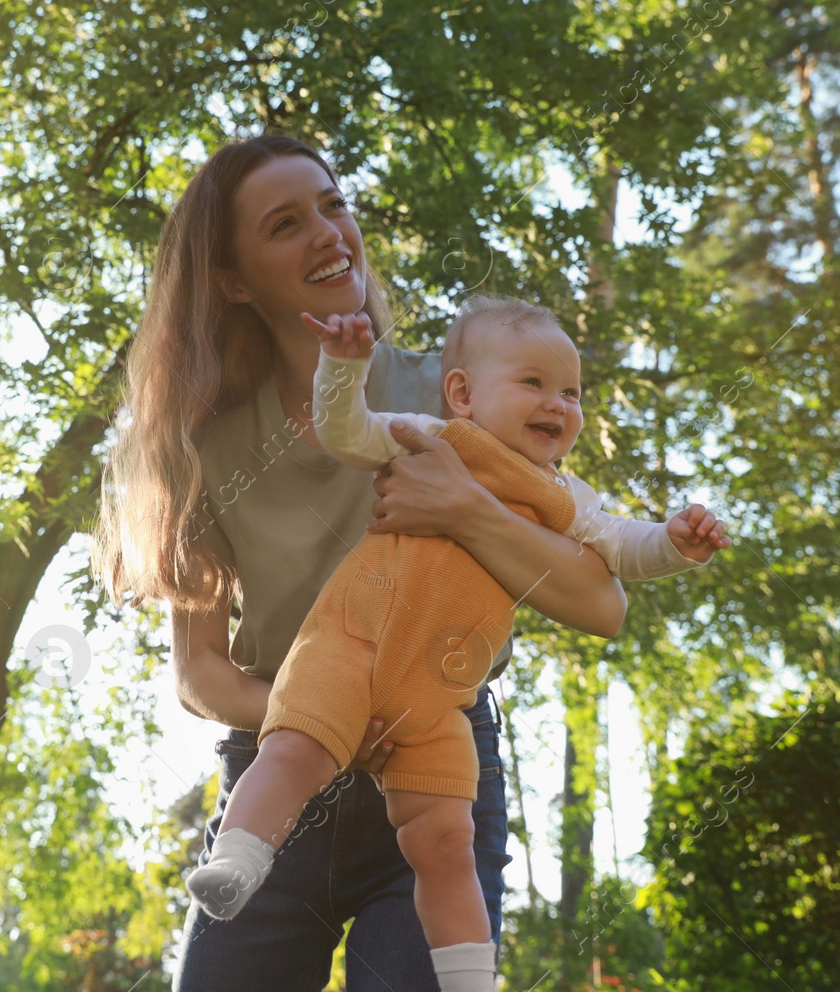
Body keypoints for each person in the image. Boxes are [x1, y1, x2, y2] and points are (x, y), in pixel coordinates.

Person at [91, 133, 631, 991]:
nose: (328, 232)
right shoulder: (205, 450)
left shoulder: (453, 396)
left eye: (333, 205)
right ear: (233, 280)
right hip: (276, 780)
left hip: (436, 775)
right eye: (285, 222)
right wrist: (327, 719)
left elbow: (599, 598)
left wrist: (467, 507)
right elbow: (198, 670)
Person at [181, 298, 730, 991]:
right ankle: (237, 861)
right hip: (350, 649)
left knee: (447, 843)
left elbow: (628, 547)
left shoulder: (569, 497)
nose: (557, 404)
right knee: (292, 748)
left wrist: (678, 543)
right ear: (463, 392)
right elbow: (345, 431)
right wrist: (343, 370)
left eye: (571, 391)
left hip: (437, 702)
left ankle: (468, 974)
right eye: (533, 383)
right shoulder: (434, 437)